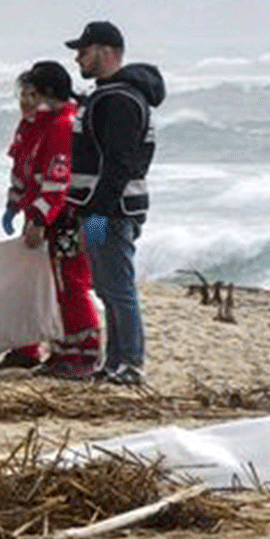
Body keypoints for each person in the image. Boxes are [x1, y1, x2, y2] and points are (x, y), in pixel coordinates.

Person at [65, 20, 166, 386]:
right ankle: (114, 362)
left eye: (84, 50)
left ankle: (130, 364)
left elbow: (118, 162)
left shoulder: (119, 99)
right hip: (104, 210)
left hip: (110, 211)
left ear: (106, 52)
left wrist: (96, 211)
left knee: (117, 287)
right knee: (106, 286)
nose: (78, 57)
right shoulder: (109, 95)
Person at [0, 61, 101, 378]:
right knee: (34, 281)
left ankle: (83, 351)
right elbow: (22, 168)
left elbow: (58, 179)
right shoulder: (31, 124)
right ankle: (27, 348)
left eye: (32, 93)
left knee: (71, 282)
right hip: (39, 214)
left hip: (66, 218)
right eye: (22, 94)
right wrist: (14, 203)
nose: (25, 101)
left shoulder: (63, 126)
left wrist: (40, 219)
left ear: (50, 94)